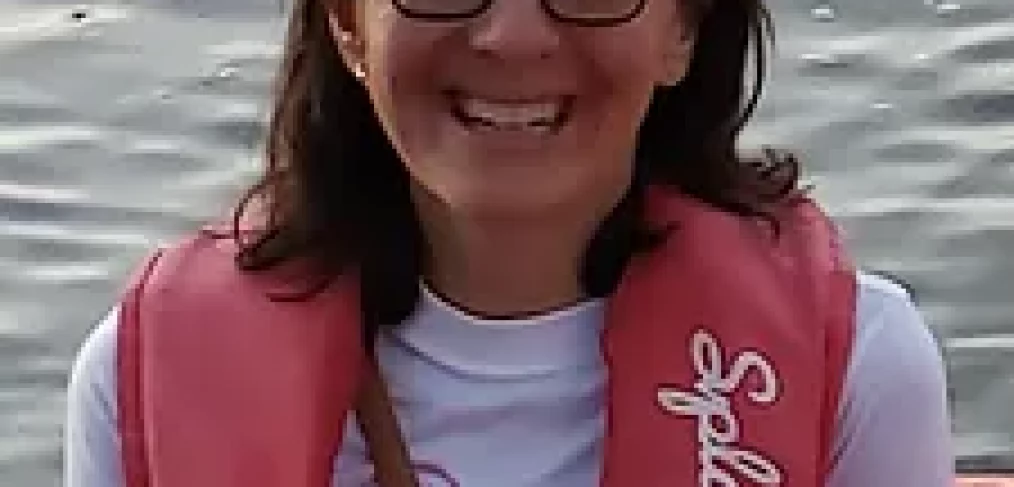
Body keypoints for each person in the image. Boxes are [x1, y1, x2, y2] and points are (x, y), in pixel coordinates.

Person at [64, 0, 956, 485]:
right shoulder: (143, 378)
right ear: (346, 23)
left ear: (684, 26)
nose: (514, 35)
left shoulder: (859, 369)